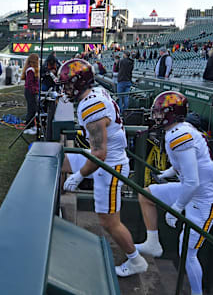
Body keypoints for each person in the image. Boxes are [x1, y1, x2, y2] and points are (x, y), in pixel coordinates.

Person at [58, 59, 148, 277]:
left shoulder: (90, 104)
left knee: (108, 222)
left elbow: (99, 153)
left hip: (109, 167)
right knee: (58, 161)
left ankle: (135, 260)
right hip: (104, 159)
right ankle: (57, 214)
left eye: (68, 84)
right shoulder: (96, 92)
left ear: (79, 84)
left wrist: (78, 176)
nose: (65, 89)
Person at [135, 91, 213, 295]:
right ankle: (152, 242)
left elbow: (193, 180)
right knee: (146, 194)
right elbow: (187, 166)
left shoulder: (179, 134)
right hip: (190, 190)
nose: (156, 117)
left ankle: (196, 293)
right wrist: (167, 173)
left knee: (187, 253)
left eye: (160, 112)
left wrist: (176, 207)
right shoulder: (179, 130)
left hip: (205, 200)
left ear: (172, 113)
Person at [22, 53, 39, 135]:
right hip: (30, 91)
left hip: (31, 91)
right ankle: (28, 127)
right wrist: (35, 90)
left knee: (33, 109)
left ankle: (32, 126)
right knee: (31, 109)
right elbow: (30, 83)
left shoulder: (31, 69)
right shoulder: (30, 70)